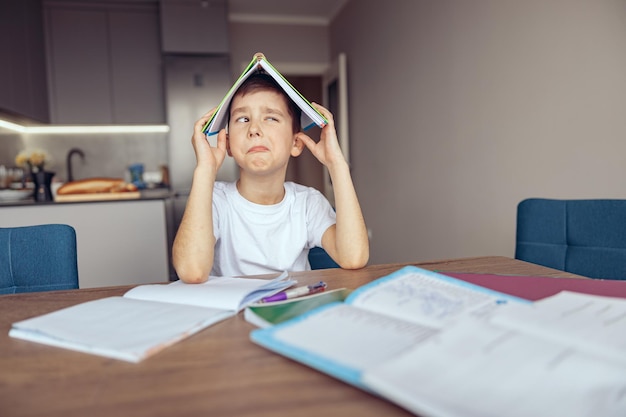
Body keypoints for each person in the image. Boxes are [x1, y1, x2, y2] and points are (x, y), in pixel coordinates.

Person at [172, 72, 369, 283]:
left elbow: (354, 257)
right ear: (228, 144)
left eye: (271, 118)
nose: (254, 129)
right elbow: (191, 271)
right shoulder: (214, 200)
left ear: (296, 143)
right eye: (243, 119)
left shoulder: (307, 203)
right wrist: (205, 170)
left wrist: (337, 165)